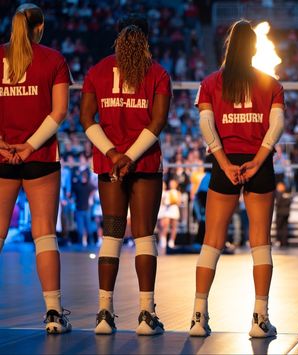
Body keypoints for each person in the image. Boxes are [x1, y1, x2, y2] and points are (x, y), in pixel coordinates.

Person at [190, 20, 285, 338]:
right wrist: (258, 161)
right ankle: (260, 319)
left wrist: (224, 163)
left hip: (224, 165)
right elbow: (277, 126)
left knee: (211, 242)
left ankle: (198, 317)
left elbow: (207, 125)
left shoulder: (210, 82)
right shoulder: (271, 84)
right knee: (261, 243)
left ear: (228, 46)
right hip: (259, 167)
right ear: (255, 49)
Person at [79, 14, 172, 335]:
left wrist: (114, 155)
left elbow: (86, 119)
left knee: (112, 234)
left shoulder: (98, 71)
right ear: (147, 38)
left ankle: (104, 312)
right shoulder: (157, 72)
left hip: (110, 167)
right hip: (144, 165)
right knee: (144, 235)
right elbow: (157, 123)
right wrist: (131, 156)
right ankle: (146, 314)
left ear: (117, 36)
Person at [0, 3, 72, 334]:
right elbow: (58, 113)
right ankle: (54, 313)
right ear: (39, 28)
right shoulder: (53, 59)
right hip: (40, 157)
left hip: (2, 156)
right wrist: (30, 146)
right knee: (44, 233)